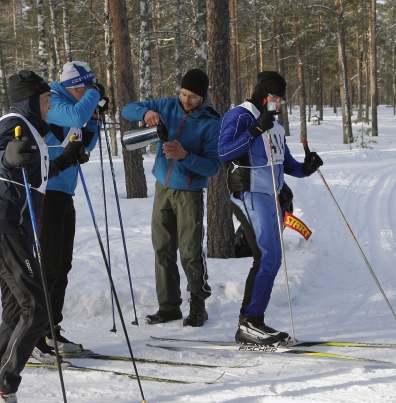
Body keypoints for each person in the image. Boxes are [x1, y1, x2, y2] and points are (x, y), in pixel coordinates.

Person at [0, 70, 89, 403]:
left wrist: (66, 159)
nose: (49, 105)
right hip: (6, 222)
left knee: (16, 312)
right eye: (45, 99)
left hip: (15, 226)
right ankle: (3, 386)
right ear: (30, 100)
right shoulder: (12, 122)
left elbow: (35, 172)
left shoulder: (34, 133)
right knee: (37, 310)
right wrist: (7, 156)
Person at [218, 71, 323, 345]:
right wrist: (254, 130)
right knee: (268, 256)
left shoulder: (274, 124)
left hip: (271, 196)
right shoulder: (241, 115)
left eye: (280, 99)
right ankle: (249, 323)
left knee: (271, 257)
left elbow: (285, 163)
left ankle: (254, 322)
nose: (276, 103)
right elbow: (223, 152)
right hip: (249, 193)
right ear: (261, 93)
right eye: (273, 97)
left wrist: (306, 168)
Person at [122, 69, 220, 327]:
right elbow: (127, 109)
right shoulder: (166, 105)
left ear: (203, 97)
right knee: (162, 249)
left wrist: (185, 156)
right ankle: (168, 307)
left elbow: (213, 167)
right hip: (162, 189)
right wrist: (145, 113)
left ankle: (198, 304)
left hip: (189, 193)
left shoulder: (211, 122)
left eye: (192, 97)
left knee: (190, 251)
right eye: (184, 94)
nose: (186, 100)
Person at [33, 61, 109, 359]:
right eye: (84, 88)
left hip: (64, 192)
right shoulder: (54, 101)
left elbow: (84, 139)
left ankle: (52, 329)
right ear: (73, 85)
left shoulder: (76, 102)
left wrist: (96, 119)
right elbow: (77, 114)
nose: (86, 93)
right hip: (45, 192)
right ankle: (36, 335)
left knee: (62, 266)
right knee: (49, 266)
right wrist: (95, 95)